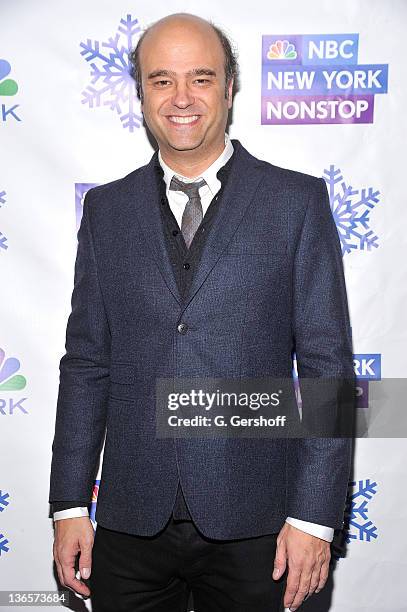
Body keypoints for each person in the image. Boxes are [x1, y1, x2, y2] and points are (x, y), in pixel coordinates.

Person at [49, 12, 354, 612]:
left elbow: (329, 373)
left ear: (230, 88)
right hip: (130, 525)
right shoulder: (106, 212)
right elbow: (86, 365)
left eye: (201, 78)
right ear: (141, 94)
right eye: (161, 80)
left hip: (264, 529)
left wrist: (315, 518)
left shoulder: (296, 202)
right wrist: (68, 505)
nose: (181, 98)